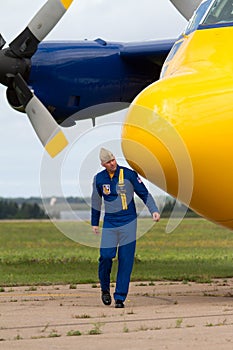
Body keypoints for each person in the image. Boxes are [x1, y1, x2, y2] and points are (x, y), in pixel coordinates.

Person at [91, 147, 160, 308]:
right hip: (110, 223)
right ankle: (105, 289)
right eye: (108, 162)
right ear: (103, 164)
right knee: (106, 256)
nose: (112, 163)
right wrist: (95, 222)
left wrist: (154, 210)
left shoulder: (129, 174)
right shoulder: (99, 179)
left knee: (126, 259)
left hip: (128, 222)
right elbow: (96, 201)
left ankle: (120, 297)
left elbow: (144, 193)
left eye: (113, 159)